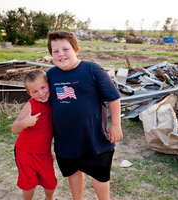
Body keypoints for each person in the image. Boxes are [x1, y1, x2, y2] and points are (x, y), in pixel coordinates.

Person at [46, 31, 123, 200]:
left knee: (100, 175)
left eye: (65, 49)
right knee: (73, 173)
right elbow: (42, 100)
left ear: (76, 49)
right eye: (55, 51)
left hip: (93, 137)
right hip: (65, 138)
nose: (61, 54)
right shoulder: (51, 75)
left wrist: (116, 125)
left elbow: (113, 98)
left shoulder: (92, 69)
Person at [11, 70, 57, 200]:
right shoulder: (31, 105)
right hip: (25, 152)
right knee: (28, 182)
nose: (41, 93)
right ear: (29, 93)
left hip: (44, 153)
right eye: (35, 91)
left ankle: (49, 198)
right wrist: (25, 122)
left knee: (50, 181)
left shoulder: (53, 103)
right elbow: (15, 128)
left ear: (49, 84)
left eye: (43, 87)